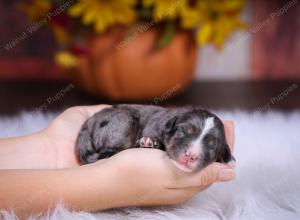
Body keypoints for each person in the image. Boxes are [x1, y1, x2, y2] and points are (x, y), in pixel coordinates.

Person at [0, 105, 235, 218]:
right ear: (169, 128)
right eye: (186, 132)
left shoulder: (206, 148)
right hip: (113, 124)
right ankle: (108, 152)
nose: (193, 151)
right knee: (125, 124)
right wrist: (109, 180)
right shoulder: (159, 127)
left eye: (211, 145)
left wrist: (50, 145)